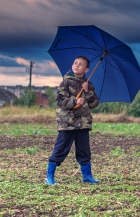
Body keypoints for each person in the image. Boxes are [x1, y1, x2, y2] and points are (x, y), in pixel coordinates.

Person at [45, 55, 100, 185]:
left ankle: (87, 176)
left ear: (86, 70)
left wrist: (87, 91)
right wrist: (75, 101)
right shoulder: (66, 82)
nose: (77, 65)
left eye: (80, 64)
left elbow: (94, 104)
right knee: (61, 149)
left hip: (83, 124)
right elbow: (59, 101)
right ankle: (49, 177)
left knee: (84, 150)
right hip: (67, 123)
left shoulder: (88, 85)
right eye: (75, 63)